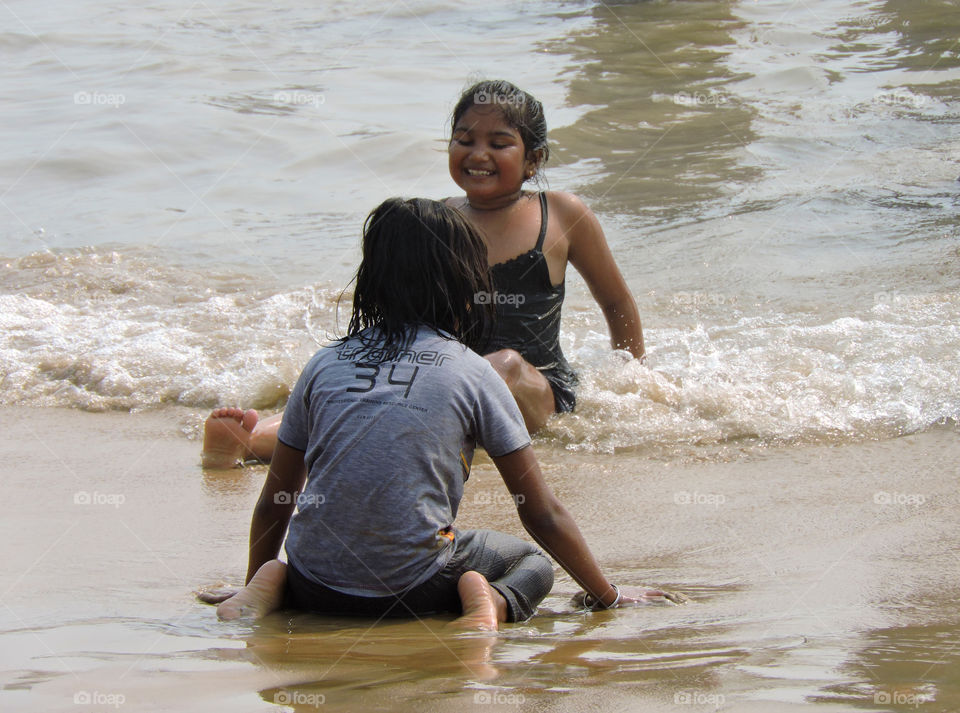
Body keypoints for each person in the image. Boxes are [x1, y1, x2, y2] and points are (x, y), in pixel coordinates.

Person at [200, 197, 669, 628]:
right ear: (467, 283)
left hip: (314, 585)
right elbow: (541, 514)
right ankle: (491, 603)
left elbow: (274, 501)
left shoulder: (324, 364)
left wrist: (252, 574)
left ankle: (267, 585)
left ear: (371, 279)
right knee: (532, 564)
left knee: (304, 548)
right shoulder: (472, 372)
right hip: (418, 591)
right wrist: (607, 595)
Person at [200, 79, 644, 469]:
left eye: (499, 143)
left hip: (532, 390)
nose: (478, 154)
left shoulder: (561, 213)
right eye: (464, 139)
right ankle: (255, 437)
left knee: (501, 366)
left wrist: (633, 380)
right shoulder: (437, 220)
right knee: (362, 374)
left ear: (533, 159)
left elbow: (616, 302)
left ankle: (273, 441)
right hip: (439, 381)